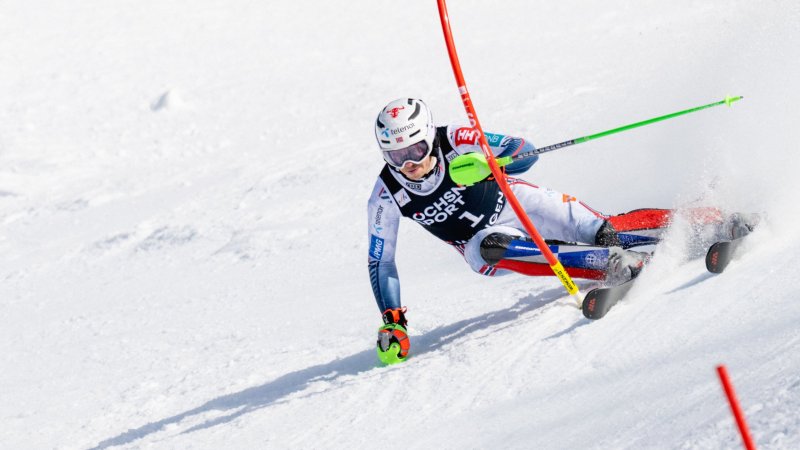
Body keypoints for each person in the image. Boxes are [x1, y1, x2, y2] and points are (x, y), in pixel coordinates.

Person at [367, 98, 754, 364]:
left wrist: (490, 161)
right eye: (397, 156)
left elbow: (527, 151)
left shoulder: (455, 139)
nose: (410, 163)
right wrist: (392, 320)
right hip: (478, 244)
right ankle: (613, 264)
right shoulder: (386, 195)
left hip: (515, 202)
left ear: (428, 136)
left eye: (416, 150)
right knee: (491, 245)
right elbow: (381, 260)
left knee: (601, 229)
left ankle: (711, 219)